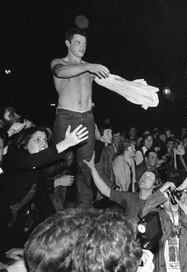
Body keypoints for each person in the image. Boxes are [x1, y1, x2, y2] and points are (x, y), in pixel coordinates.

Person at [0, 124, 88, 263]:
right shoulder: (13, 158)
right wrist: (66, 143)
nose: (43, 143)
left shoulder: (37, 173)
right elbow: (33, 161)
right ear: (24, 144)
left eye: (45, 140)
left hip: (13, 229)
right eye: (37, 140)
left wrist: (65, 225)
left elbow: (45, 204)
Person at [51, 28, 110, 208]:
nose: (82, 47)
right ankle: (54, 209)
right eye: (78, 42)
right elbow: (60, 72)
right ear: (68, 43)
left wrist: (136, 92)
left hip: (87, 117)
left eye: (85, 44)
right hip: (66, 116)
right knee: (61, 162)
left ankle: (85, 207)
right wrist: (87, 67)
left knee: (86, 164)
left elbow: (112, 84)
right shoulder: (59, 62)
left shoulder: (90, 68)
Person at [83, 153, 175, 218]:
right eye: (143, 176)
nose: (144, 179)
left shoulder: (159, 203)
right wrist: (92, 168)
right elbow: (105, 190)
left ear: (154, 185)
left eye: (149, 178)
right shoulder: (129, 197)